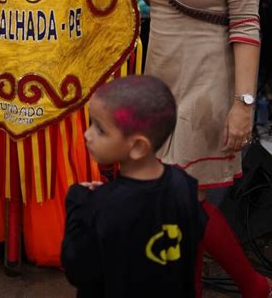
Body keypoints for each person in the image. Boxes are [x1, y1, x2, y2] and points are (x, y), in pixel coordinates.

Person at [131, 0, 272, 297]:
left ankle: (254, 286)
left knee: (183, 201)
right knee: (176, 200)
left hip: (207, 86)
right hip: (164, 84)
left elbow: (248, 26)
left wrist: (244, 103)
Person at [61, 75, 207, 297]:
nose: (87, 134)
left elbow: (77, 270)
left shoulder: (100, 205)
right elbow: (195, 232)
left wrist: (77, 205)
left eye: (100, 130)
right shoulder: (185, 186)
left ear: (138, 146)